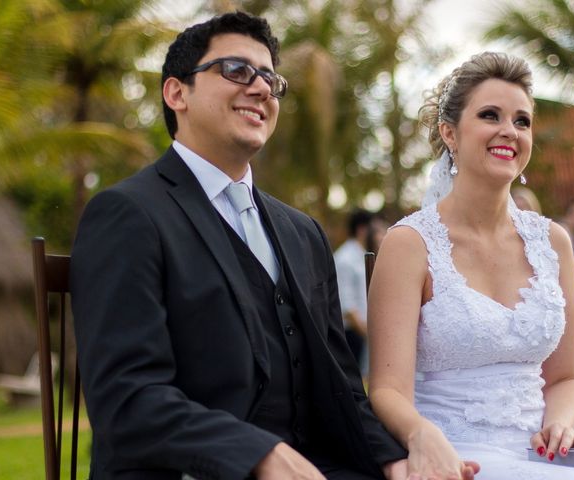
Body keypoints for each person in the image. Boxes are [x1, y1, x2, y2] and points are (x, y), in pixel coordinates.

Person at [70, 12, 408, 479]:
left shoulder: (303, 232)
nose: (262, 89)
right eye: (236, 70)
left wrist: (394, 458)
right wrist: (258, 454)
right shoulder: (127, 214)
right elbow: (128, 397)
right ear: (177, 92)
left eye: (271, 79)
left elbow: (342, 387)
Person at [367, 51, 574, 479]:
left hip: (539, 457)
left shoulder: (554, 243)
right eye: (491, 115)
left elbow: (566, 378)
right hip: (454, 457)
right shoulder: (410, 244)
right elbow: (387, 389)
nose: (509, 131)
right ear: (449, 132)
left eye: (522, 121)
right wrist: (421, 437)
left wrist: (558, 424)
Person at [334, 209, 374, 373]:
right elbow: (347, 307)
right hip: (353, 335)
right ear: (362, 229)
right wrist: (371, 337)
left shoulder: (362, 254)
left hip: (364, 333)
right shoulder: (345, 259)